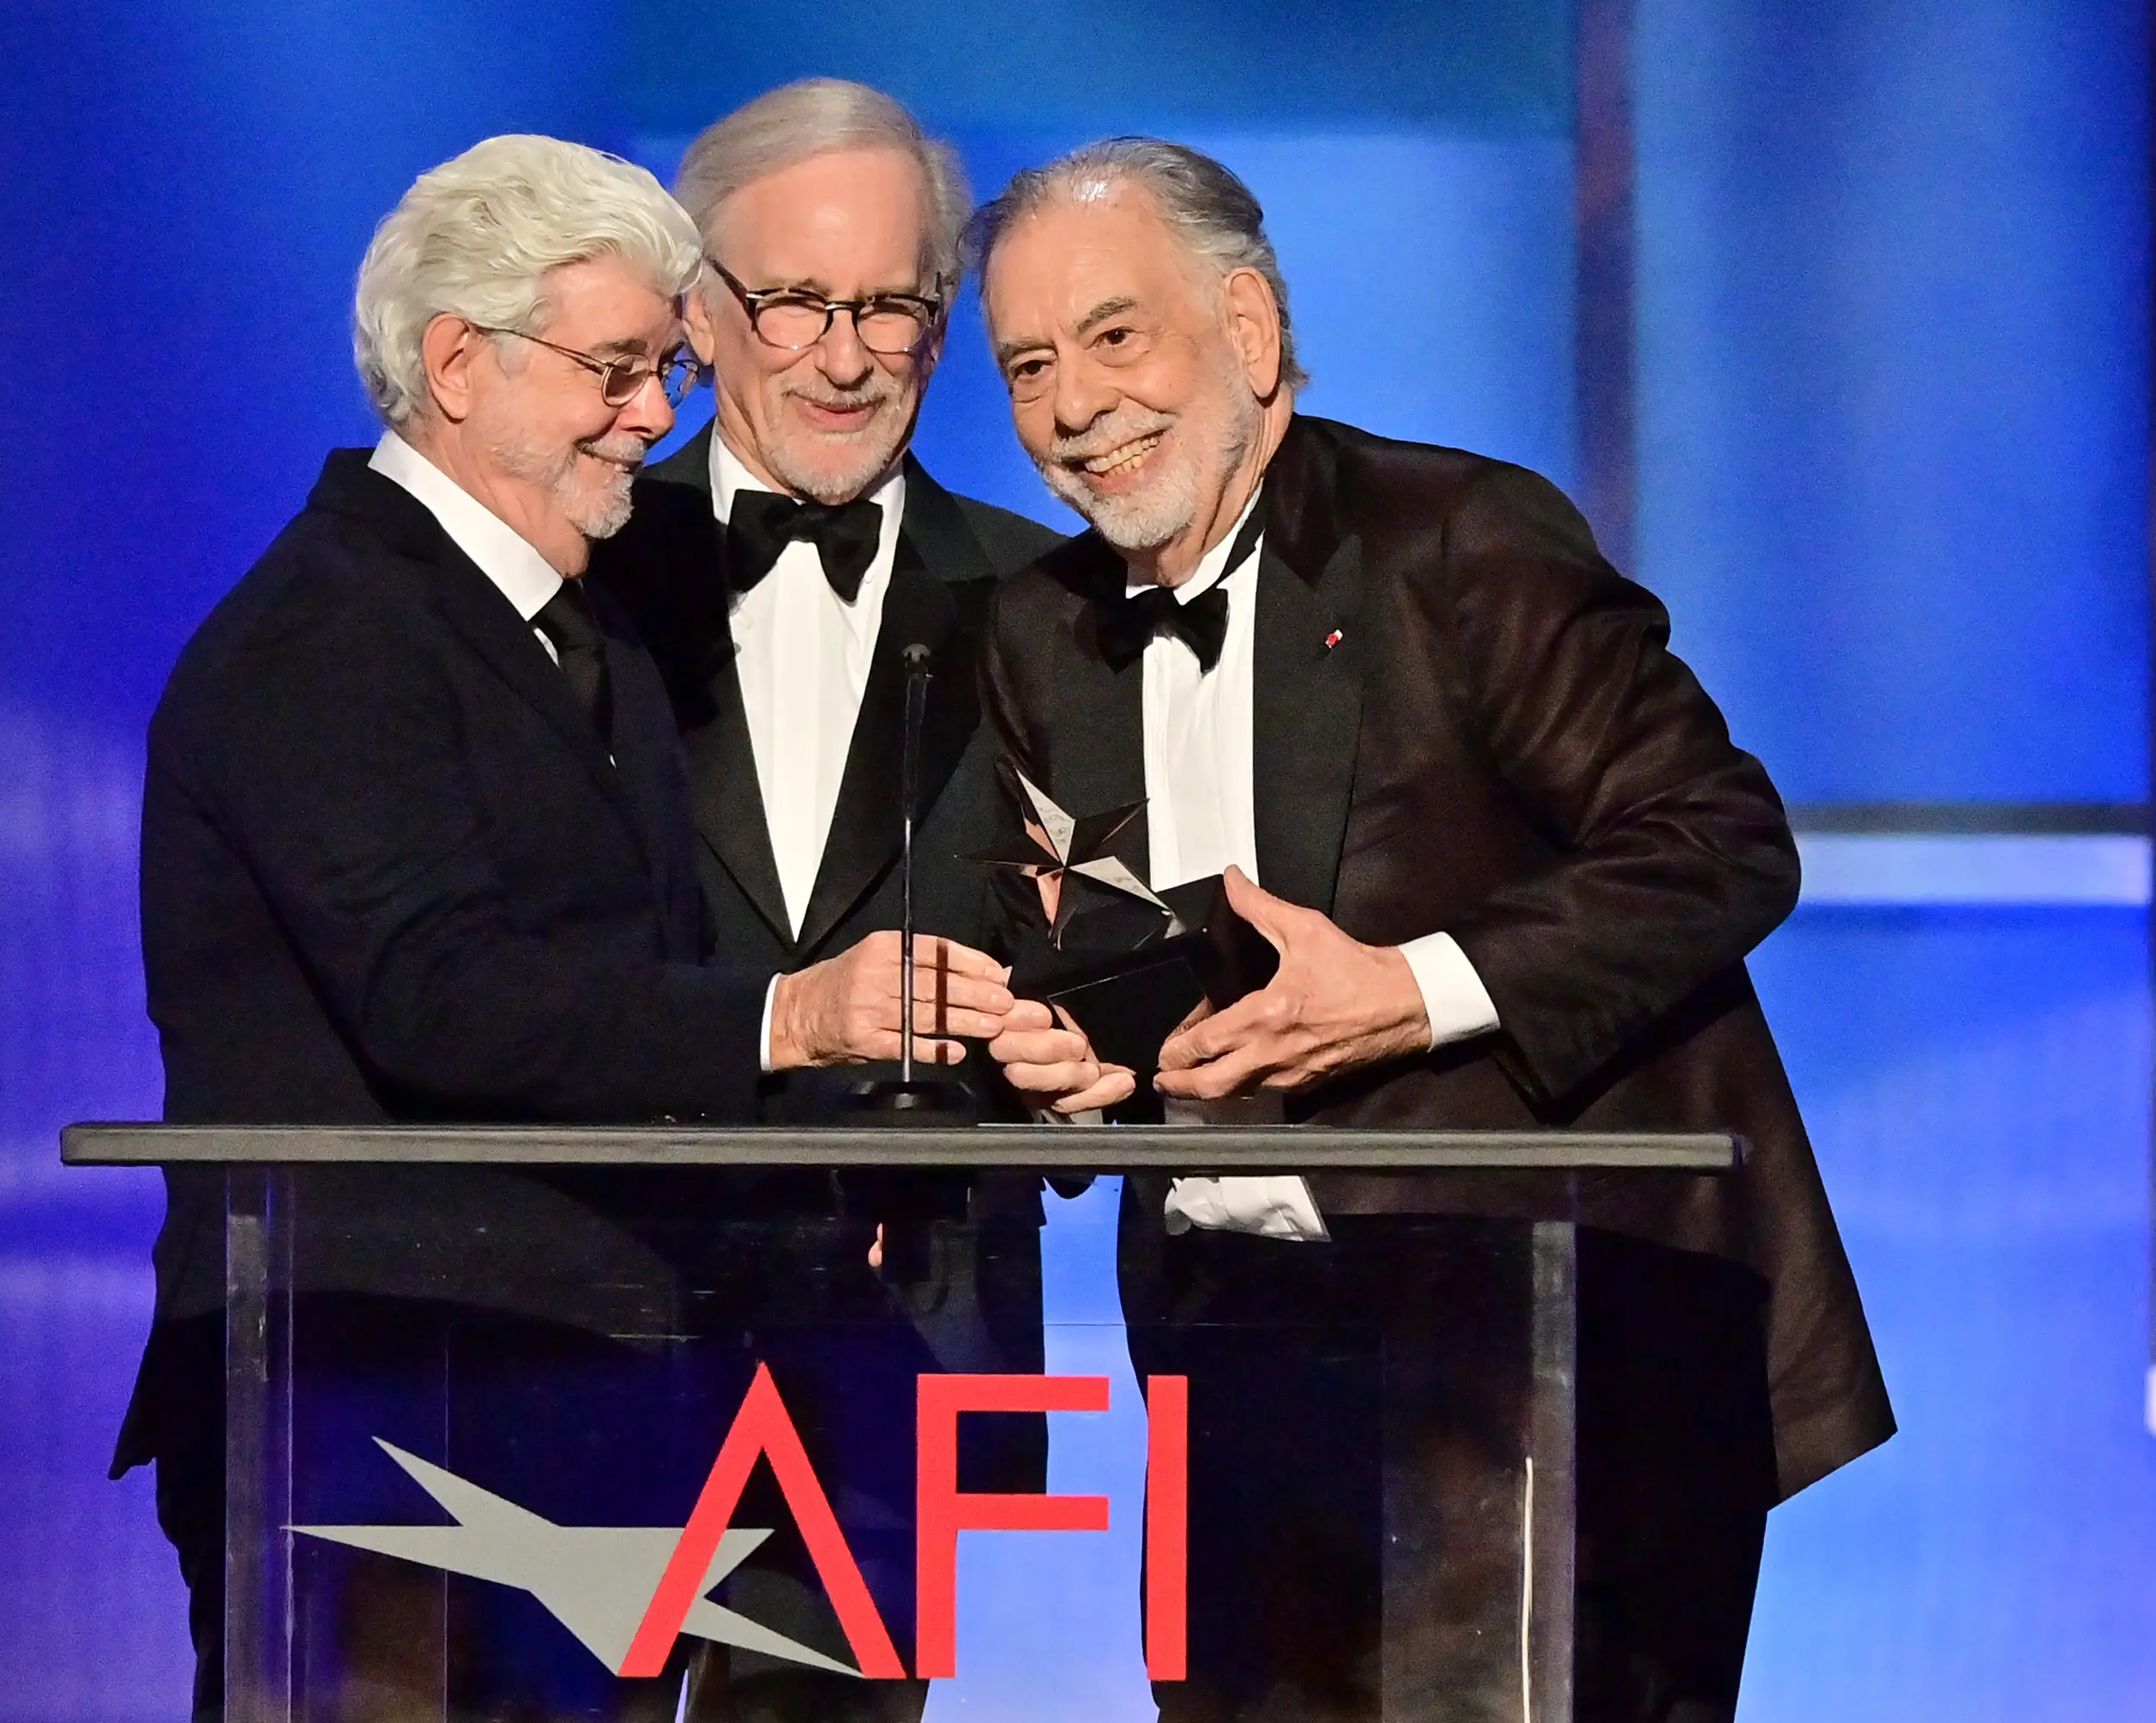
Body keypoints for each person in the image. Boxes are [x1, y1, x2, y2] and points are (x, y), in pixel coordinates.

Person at [974, 138, 1892, 1721]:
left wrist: (1413, 992)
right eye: (1030, 365)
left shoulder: (1458, 539)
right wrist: (1059, 1059)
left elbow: (1719, 844)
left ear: (1248, 331)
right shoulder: (1038, 635)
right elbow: (1101, 980)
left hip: (1552, 1362)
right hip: (1233, 1367)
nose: (1073, 407)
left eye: (1117, 336)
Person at [116, 135, 1014, 1722]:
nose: (656, 416)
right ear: (456, 363)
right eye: (614, 372)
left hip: (576, 1396)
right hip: (381, 1399)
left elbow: (616, 992)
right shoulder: (328, 637)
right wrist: (790, 1020)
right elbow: (440, 998)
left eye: (662, 369)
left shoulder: (570, 628)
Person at [587, 81, 1064, 1721]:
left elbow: (1105, 949)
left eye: (892, 307)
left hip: (899, 1325)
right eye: (795, 301)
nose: (846, 356)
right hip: (592, 1308)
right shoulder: (568, 568)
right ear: (698, 318)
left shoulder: (1049, 604)